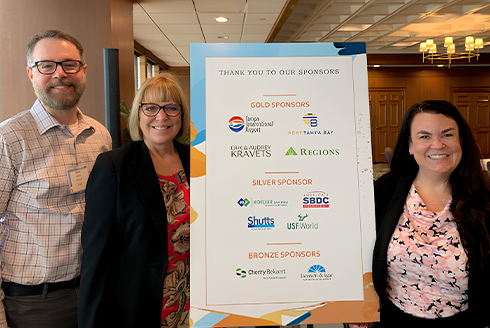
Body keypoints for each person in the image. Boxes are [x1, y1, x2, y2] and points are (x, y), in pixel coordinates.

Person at [0, 30, 112, 328]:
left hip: (92, 291)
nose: (60, 74)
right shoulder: (9, 137)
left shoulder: (100, 135)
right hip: (34, 304)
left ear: (83, 70)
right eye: (46, 66)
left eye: (69, 64)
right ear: (30, 73)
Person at [351, 100, 490, 328]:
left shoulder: (485, 197)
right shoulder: (385, 189)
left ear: (461, 140)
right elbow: (360, 253)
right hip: (393, 321)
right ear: (409, 145)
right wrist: (357, 308)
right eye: (424, 136)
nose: (437, 144)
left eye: (447, 135)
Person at [78, 73, 190, 328]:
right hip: (140, 307)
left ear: (181, 115)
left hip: (193, 302)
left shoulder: (197, 161)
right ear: (138, 115)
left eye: (171, 108)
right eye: (151, 108)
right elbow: (97, 257)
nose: (161, 117)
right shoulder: (113, 167)